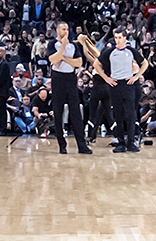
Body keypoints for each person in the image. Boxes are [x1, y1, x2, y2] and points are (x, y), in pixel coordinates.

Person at [48, 21, 92, 155]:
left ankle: (82, 145)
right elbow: (54, 60)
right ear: (57, 30)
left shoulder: (73, 45)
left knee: (76, 112)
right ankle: (62, 145)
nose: (66, 31)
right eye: (63, 29)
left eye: (67, 29)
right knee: (58, 113)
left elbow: (79, 62)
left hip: (71, 79)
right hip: (58, 79)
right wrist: (62, 46)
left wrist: (64, 58)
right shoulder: (52, 44)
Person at [97, 28, 146, 152]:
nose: (117, 40)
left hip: (128, 84)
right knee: (118, 114)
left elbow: (144, 63)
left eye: (120, 37)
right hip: (115, 84)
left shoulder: (131, 51)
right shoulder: (110, 51)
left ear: (125, 38)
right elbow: (96, 64)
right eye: (116, 37)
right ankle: (120, 142)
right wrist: (106, 78)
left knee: (130, 114)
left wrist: (136, 76)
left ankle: (131, 142)